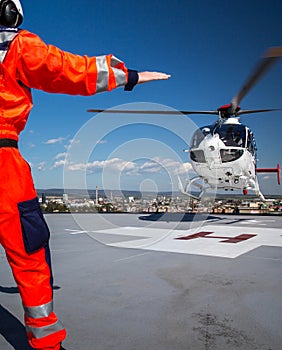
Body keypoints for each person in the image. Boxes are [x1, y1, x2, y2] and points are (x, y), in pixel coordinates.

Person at [0, 1, 170, 349]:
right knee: (30, 256)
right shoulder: (18, 48)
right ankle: (46, 341)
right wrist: (130, 76)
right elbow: (69, 71)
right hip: (4, 166)